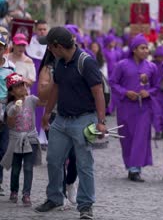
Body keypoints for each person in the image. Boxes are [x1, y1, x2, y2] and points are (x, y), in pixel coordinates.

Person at [34, 26, 107, 220]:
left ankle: (85, 205)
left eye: (49, 46)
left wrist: (101, 121)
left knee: (84, 164)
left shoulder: (86, 62)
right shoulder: (59, 62)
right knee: (53, 160)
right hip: (61, 120)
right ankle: (55, 198)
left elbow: (98, 92)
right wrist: (47, 112)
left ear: (57, 46)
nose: (48, 50)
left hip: (84, 120)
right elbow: (56, 88)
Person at [110, 34, 157, 182]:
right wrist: (125, 92)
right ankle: (130, 166)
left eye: (147, 48)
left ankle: (135, 169)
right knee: (128, 137)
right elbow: (113, 82)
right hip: (126, 108)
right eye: (142, 48)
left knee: (141, 138)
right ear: (134, 49)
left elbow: (157, 87)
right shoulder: (122, 65)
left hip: (143, 109)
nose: (145, 50)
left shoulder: (151, 67)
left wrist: (147, 93)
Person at [37, 48, 79, 205]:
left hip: (75, 116)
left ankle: (70, 183)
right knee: (57, 158)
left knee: (75, 157)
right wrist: (56, 79)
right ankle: (60, 193)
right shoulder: (48, 68)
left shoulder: (78, 64)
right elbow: (42, 93)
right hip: (54, 116)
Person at [0, 73, 44, 206]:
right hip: (16, 141)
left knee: (28, 168)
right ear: (12, 92)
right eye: (17, 86)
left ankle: (26, 194)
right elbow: (10, 125)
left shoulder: (31, 99)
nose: (21, 88)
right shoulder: (9, 106)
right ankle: (14, 191)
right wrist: (14, 111)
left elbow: (43, 101)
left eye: (22, 85)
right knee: (16, 168)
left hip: (30, 139)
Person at [26, 20, 48, 145]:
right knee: (32, 106)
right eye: (40, 29)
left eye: (44, 29)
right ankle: (31, 135)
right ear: (35, 29)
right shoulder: (29, 43)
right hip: (33, 79)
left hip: (46, 79)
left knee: (45, 107)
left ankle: (43, 137)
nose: (42, 31)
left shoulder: (51, 43)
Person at [0, 34, 15, 197]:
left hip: (5, 109)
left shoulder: (10, 67)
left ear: (5, 49)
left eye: (0, 47)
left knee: (3, 148)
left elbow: (14, 88)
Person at [152, 45, 163, 140]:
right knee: (156, 112)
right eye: (159, 56)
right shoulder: (152, 65)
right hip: (156, 93)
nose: (161, 58)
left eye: (162, 56)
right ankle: (157, 130)